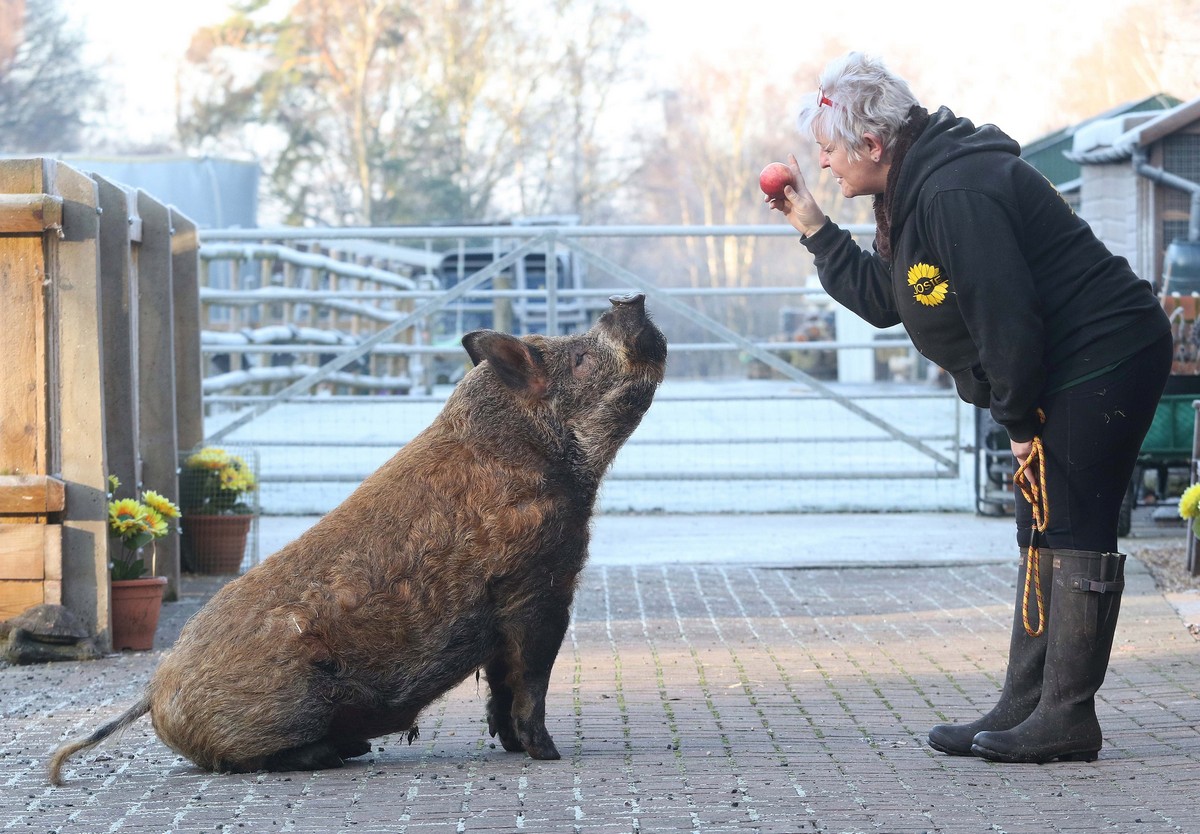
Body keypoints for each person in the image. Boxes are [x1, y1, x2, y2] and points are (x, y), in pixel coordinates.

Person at [766, 52, 1172, 764]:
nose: (824, 167)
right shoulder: (915, 191)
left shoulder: (956, 191)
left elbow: (1004, 318)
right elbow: (890, 300)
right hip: (1060, 362)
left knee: (1072, 519)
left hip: (1105, 352)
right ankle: (1026, 705)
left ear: (872, 144)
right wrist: (810, 222)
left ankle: (1068, 718)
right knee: (1040, 520)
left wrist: (1017, 424)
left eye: (828, 153)